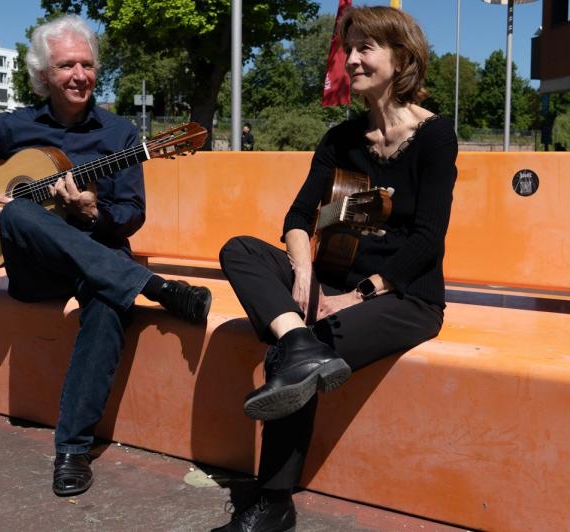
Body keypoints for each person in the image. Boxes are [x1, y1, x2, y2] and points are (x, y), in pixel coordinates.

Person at [0, 15, 212, 497]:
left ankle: (72, 450)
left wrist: (92, 212)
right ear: (43, 75)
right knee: (17, 212)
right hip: (37, 272)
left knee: (108, 301)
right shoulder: (16, 126)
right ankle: (156, 288)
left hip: (100, 259)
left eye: (87, 65)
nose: (79, 75)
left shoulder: (119, 135)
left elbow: (131, 214)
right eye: (67, 65)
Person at [214, 6, 457, 531]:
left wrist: (355, 295)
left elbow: (428, 239)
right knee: (241, 250)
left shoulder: (436, 137)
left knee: (296, 357)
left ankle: (274, 503)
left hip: (404, 297)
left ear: (401, 57)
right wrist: (303, 273)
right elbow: (298, 217)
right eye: (350, 49)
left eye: (365, 48)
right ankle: (295, 337)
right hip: (330, 279)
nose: (351, 60)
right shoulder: (339, 140)